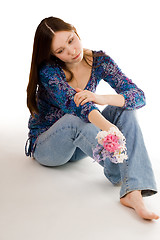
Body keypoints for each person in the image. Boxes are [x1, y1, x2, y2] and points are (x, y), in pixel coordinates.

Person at [25, 16, 159, 220]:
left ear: (75, 31)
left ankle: (134, 191)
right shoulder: (49, 72)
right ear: (53, 55)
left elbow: (138, 96)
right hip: (49, 147)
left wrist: (99, 97)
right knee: (75, 118)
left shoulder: (99, 61)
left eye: (71, 40)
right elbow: (78, 107)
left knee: (127, 109)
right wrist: (109, 129)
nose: (71, 51)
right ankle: (121, 170)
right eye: (60, 51)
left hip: (82, 145)